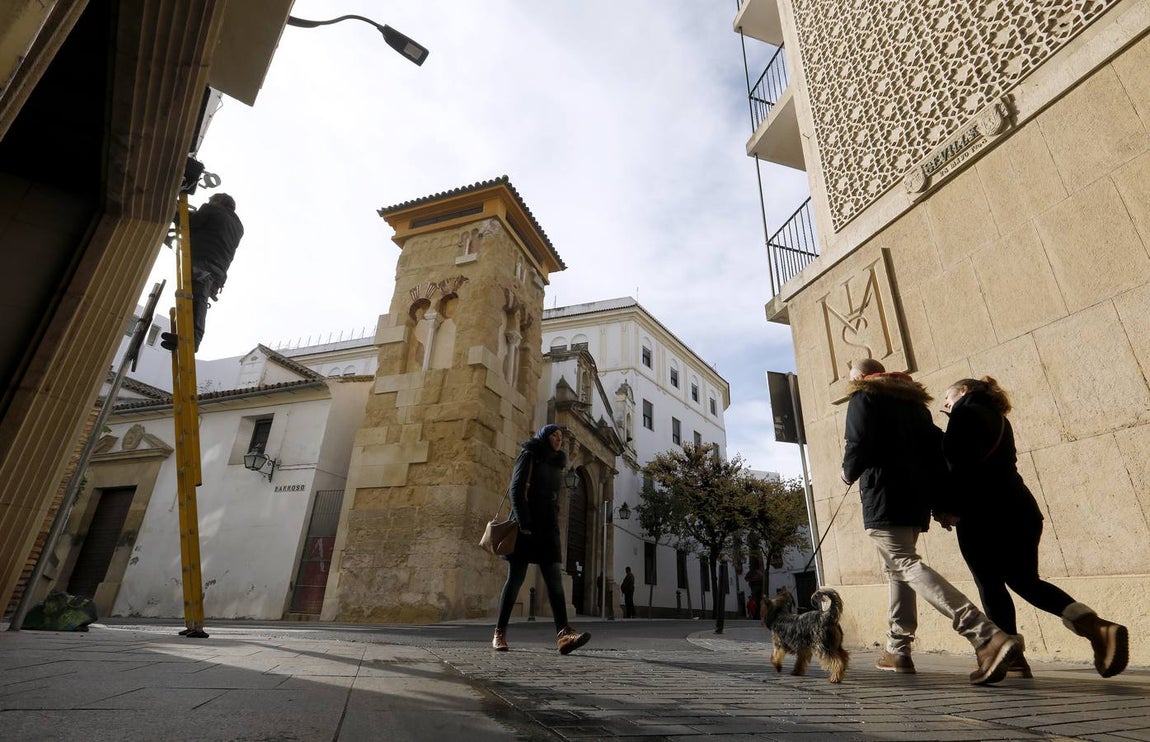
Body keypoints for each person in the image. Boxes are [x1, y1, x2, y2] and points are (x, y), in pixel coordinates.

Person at [937, 376, 1129, 678]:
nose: (944, 404)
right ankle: (1097, 628)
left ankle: (1010, 658)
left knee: (990, 583)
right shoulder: (997, 417)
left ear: (963, 391)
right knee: (1024, 580)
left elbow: (961, 468)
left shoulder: (964, 415)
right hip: (1021, 510)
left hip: (983, 514)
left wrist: (949, 508)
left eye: (947, 396)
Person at [842, 357, 1018, 685]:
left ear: (863, 376)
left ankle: (984, 635)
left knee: (904, 564)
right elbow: (937, 454)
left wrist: (847, 472)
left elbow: (857, 441)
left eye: (852, 377)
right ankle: (899, 650)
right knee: (897, 570)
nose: (851, 382)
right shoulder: (915, 406)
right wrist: (939, 503)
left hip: (883, 495)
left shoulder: (864, 396)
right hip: (914, 501)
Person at [493, 424, 591, 655]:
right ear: (543, 437)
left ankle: (564, 635)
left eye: (560, 436)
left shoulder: (557, 462)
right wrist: (525, 523)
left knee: (555, 580)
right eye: (553, 435)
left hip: (548, 528)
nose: (558, 439)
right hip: (526, 526)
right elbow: (516, 489)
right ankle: (500, 632)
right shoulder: (530, 454)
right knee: (515, 579)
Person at [188, 192, 244, 352]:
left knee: (197, 298)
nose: (208, 202)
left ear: (218, 201)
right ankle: (189, 337)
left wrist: (177, 214)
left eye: (211, 200)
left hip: (203, 261)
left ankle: (193, 339)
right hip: (219, 271)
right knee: (198, 298)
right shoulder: (238, 226)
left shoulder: (211, 209)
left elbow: (191, 223)